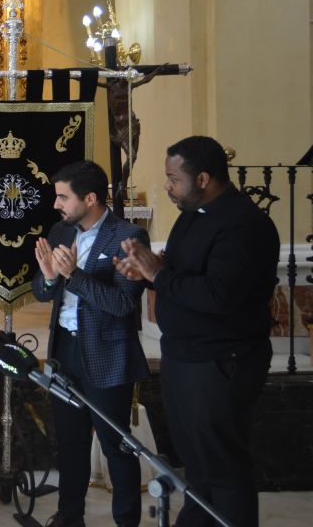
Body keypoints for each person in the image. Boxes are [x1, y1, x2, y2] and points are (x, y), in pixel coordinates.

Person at [117, 136, 279, 527]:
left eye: (174, 179)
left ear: (203, 179)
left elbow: (218, 295)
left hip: (221, 361)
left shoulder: (243, 224)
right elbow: (183, 272)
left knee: (222, 469)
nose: (167, 186)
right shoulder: (193, 214)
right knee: (197, 466)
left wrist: (158, 275)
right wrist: (148, 271)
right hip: (186, 356)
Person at [31, 160, 150, 527]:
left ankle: (126, 521)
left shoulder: (128, 236)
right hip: (64, 353)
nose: (56, 204)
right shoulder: (61, 231)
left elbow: (122, 303)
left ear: (91, 198)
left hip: (107, 353)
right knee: (70, 443)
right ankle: (70, 517)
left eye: (63, 197)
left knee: (116, 445)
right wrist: (50, 278)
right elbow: (42, 290)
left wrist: (73, 275)